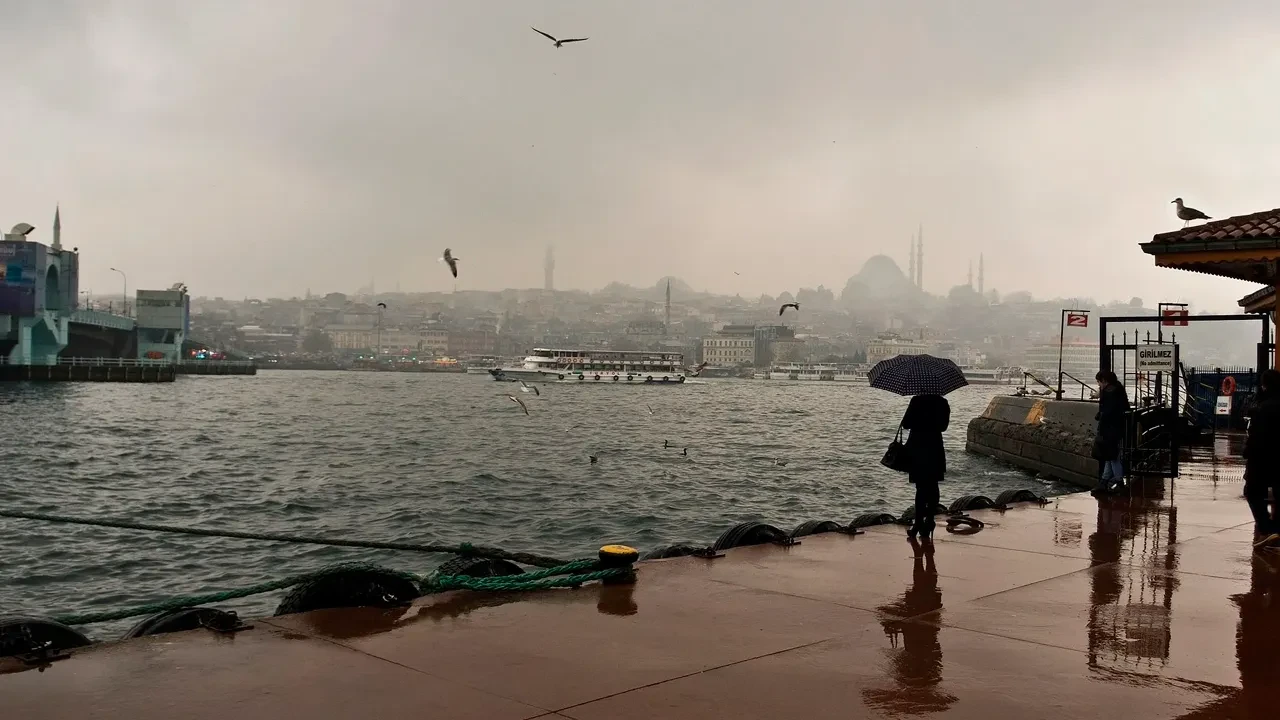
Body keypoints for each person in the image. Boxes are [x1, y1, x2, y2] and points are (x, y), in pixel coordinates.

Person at [901, 393, 950, 540]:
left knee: (920, 488)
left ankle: (917, 525)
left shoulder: (917, 400)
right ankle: (929, 520)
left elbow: (906, 424)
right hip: (935, 447)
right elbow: (944, 427)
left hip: (918, 447)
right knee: (933, 485)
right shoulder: (942, 402)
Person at [1243, 368, 1280, 546]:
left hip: (1263, 458)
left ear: (1264, 386)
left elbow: (1256, 436)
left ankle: (1266, 529)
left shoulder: (1262, 408)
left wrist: (1247, 454)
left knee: (1252, 491)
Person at [1092, 370, 1129, 493]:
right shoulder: (1119, 389)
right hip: (1118, 427)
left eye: (1099, 382)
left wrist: (1100, 415)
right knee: (1109, 455)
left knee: (1113, 457)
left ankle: (1119, 482)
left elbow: (1108, 411)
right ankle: (1103, 482)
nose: (1099, 385)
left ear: (1104, 380)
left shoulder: (1109, 392)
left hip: (1109, 429)